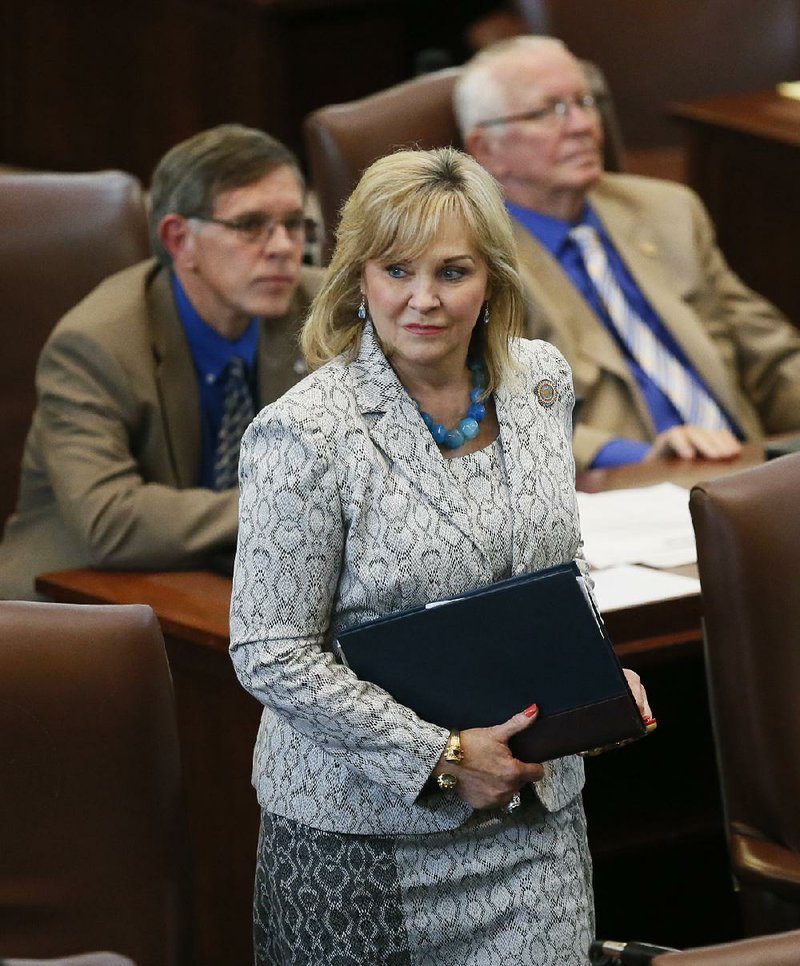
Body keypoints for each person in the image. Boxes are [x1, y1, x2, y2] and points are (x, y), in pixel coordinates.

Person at [229, 147, 652, 965]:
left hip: (536, 821)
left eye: (452, 271)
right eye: (396, 269)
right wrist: (447, 757)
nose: (423, 298)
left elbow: (558, 566)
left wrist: (592, 681)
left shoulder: (540, 383)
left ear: (490, 278)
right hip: (367, 840)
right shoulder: (304, 434)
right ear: (358, 279)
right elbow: (270, 652)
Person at [0, 124, 322, 601]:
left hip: (243, 577)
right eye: (250, 225)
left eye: (294, 223)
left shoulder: (327, 312)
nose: (281, 247)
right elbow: (109, 522)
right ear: (179, 240)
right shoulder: (94, 346)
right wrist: (288, 503)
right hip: (77, 598)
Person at [454, 36, 800, 471]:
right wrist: (640, 457)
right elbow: (487, 417)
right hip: (620, 494)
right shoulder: (473, 263)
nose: (582, 125)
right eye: (550, 111)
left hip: (746, 472)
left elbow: (772, 358)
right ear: (487, 149)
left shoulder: (669, 211)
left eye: (584, 101)